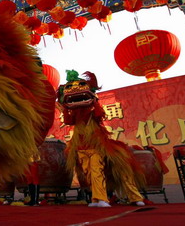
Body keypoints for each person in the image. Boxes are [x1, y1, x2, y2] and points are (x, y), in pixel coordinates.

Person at [59, 70, 145, 208]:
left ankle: (132, 197)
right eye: (69, 87)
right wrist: (64, 107)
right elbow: (69, 121)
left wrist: (95, 101)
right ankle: (96, 199)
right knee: (89, 174)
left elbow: (99, 115)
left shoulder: (92, 112)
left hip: (96, 146)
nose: (75, 88)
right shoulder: (75, 115)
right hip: (81, 147)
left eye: (81, 85)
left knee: (106, 170)